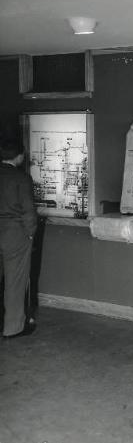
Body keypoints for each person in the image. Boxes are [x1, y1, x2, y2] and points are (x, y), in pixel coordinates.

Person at [0, 137, 37, 338]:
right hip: (14, 234)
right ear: (20, 156)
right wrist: (30, 234)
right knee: (15, 281)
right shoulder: (21, 178)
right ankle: (13, 328)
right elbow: (29, 212)